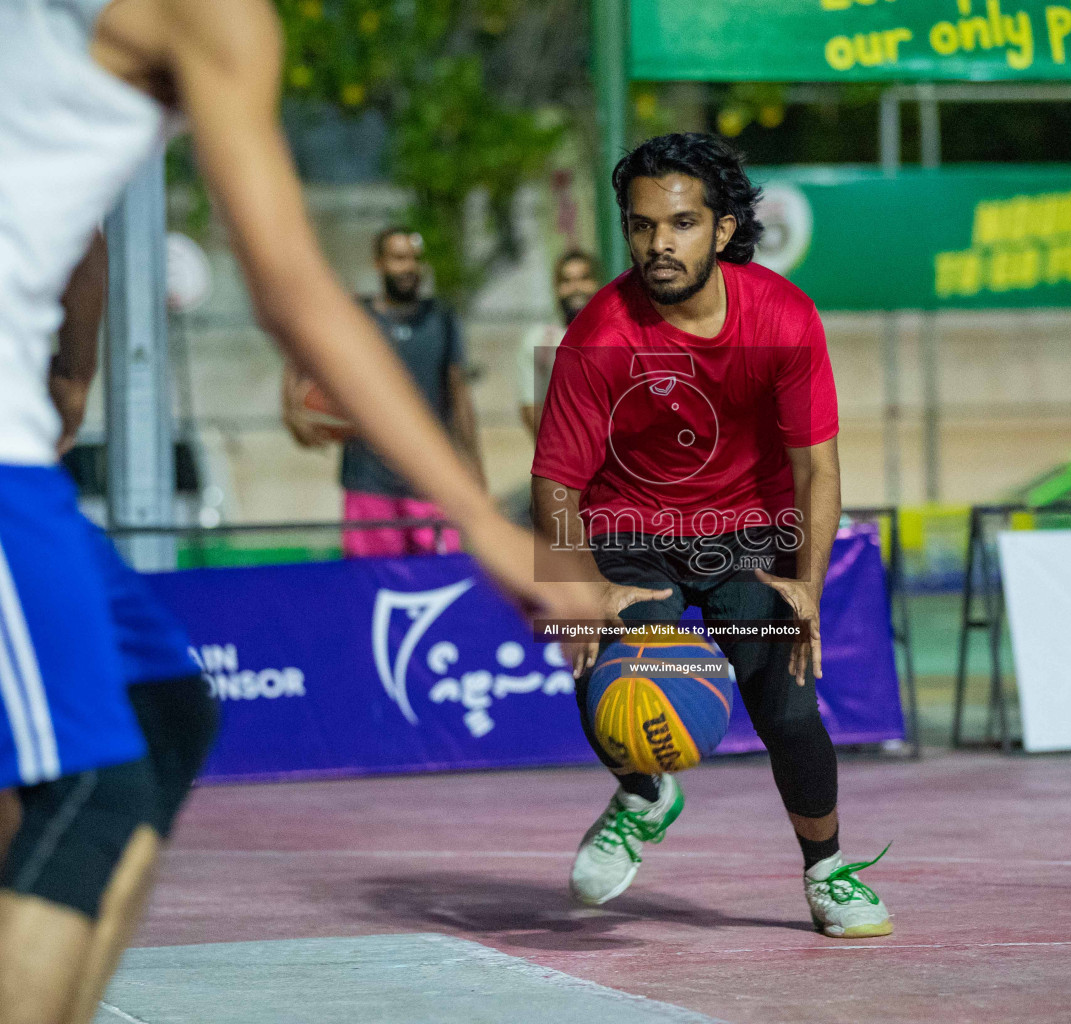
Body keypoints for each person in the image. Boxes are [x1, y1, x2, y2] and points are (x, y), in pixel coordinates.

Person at [0, 3, 592, 1023]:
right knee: (90, 785)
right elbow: (296, 290)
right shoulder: (214, 13)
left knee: (160, 711)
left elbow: (29, 183)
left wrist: (72, 363)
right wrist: (486, 528)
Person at [530, 133, 893, 939]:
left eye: (683, 223)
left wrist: (808, 581)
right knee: (605, 667)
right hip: (627, 525)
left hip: (750, 528)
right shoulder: (598, 336)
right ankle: (644, 791)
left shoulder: (783, 318)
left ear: (723, 230)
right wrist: (581, 588)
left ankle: (830, 874)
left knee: (791, 713)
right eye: (641, 225)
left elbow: (816, 471)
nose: (659, 244)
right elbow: (554, 481)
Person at [285, 228, 482, 557]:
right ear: (379, 264)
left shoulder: (442, 319)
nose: (408, 267)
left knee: (441, 589)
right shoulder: (356, 317)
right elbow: (299, 353)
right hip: (369, 486)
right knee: (370, 595)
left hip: (432, 483)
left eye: (414, 259)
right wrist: (293, 410)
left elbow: (459, 397)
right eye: (399, 258)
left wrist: (474, 469)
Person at [517, 249, 602, 439]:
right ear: (556, 287)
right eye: (567, 281)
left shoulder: (622, 338)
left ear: (597, 283)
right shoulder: (539, 341)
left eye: (584, 278)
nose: (576, 287)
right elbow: (531, 407)